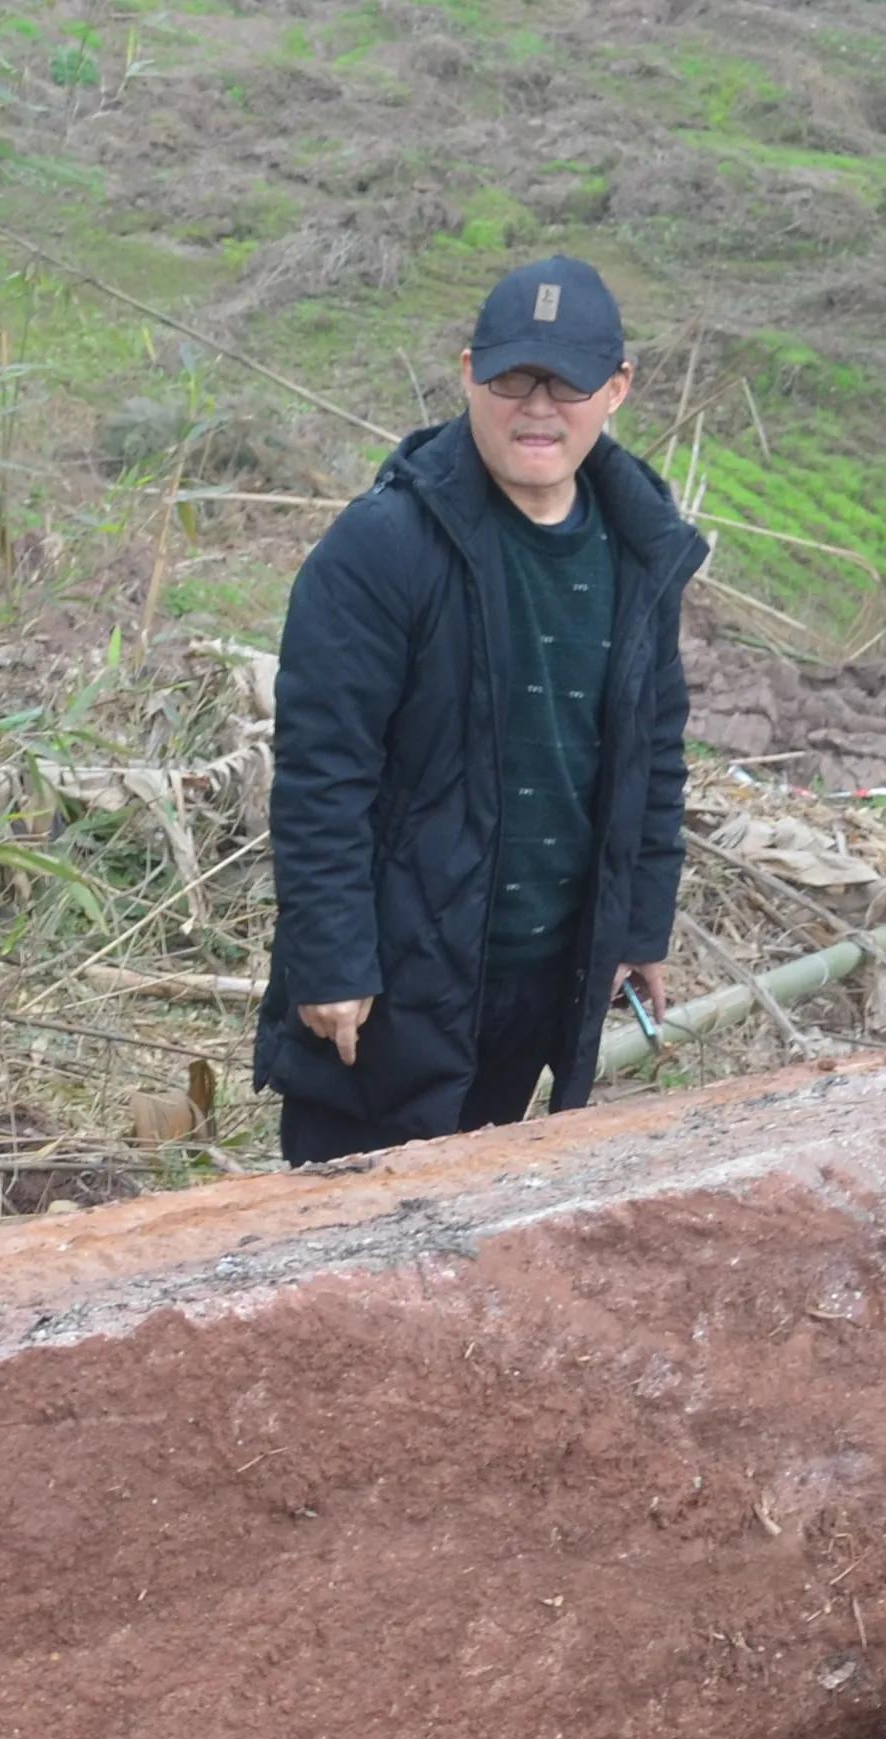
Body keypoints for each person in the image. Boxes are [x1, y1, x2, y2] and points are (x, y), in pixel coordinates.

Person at [255, 255, 708, 1166]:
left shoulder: (637, 546)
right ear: (468, 372)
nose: (536, 408)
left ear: (617, 388)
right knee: (345, 1241)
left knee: (481, 1221)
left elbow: (652, 751)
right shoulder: (382, 549)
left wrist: (636, 925)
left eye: (566, 382)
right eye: (510, 379)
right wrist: (332, 962)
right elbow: (324, 772)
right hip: (397, 983)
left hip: (545, 976)